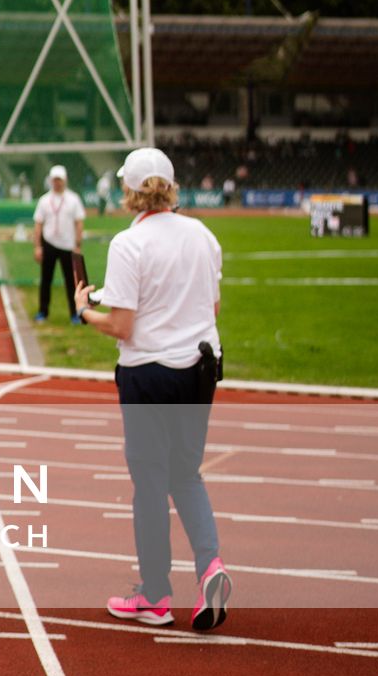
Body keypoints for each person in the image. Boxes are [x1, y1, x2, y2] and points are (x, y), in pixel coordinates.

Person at [75, 146, 231, 635]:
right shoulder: (203, 235)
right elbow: (212, 306)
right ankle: (210, 566)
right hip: (200, 368)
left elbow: (122, 326)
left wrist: (85, 311)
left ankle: (156, 595)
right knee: (187, 474)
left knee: (149, 484)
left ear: (128, 191)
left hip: (148, 373)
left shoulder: (129, 243)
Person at [32, 164, 86, 325]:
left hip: (68, 245)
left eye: (60, 180)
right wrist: (37, 246)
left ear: (65, 180)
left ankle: (75, 313)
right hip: (48, 243)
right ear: (51, 180)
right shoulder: (44, 200)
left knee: (71, 281)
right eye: (55, 180)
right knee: (46, 280)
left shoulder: (73, 199)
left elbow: (79, 223)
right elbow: (38, 224)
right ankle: (43, 311)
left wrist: (77, 244)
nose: (57, 183)